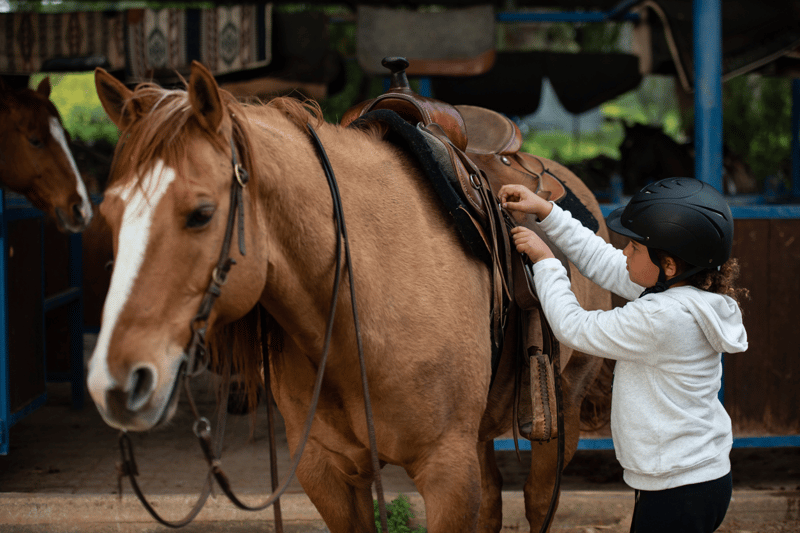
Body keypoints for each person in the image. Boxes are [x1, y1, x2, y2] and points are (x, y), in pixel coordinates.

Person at [498, 177, 748, 533]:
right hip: (693, 478)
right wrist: (547, 213)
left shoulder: (662, 318)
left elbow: (573, 327)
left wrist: (546, 262)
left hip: (677, 489)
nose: (624, 252)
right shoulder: (686, 295)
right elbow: (603, 260)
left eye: (633, 247)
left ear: (670, 265)